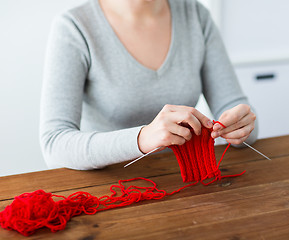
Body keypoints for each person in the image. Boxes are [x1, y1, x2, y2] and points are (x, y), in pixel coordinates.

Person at [39, 0, 258, 170]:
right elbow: (54, 143)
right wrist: (142, 138)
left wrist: (242, 126)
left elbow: (235, 108)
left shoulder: (196, 15)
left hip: (186, 181)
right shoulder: (74, 27)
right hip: (110, 187)